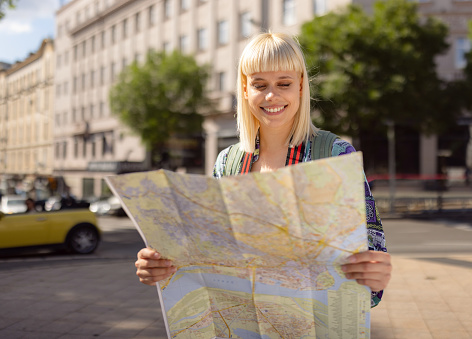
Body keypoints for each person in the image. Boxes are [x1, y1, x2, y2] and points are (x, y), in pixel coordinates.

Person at [135, 32, 391, 307]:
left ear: (301, 87)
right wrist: (163, 267)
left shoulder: (336, 155)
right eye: (260, 84)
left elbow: (370, 267)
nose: (272, 95)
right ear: (245, 89)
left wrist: (375, 276)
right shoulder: (227, 163)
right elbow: (207, 255)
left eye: (284, 83)